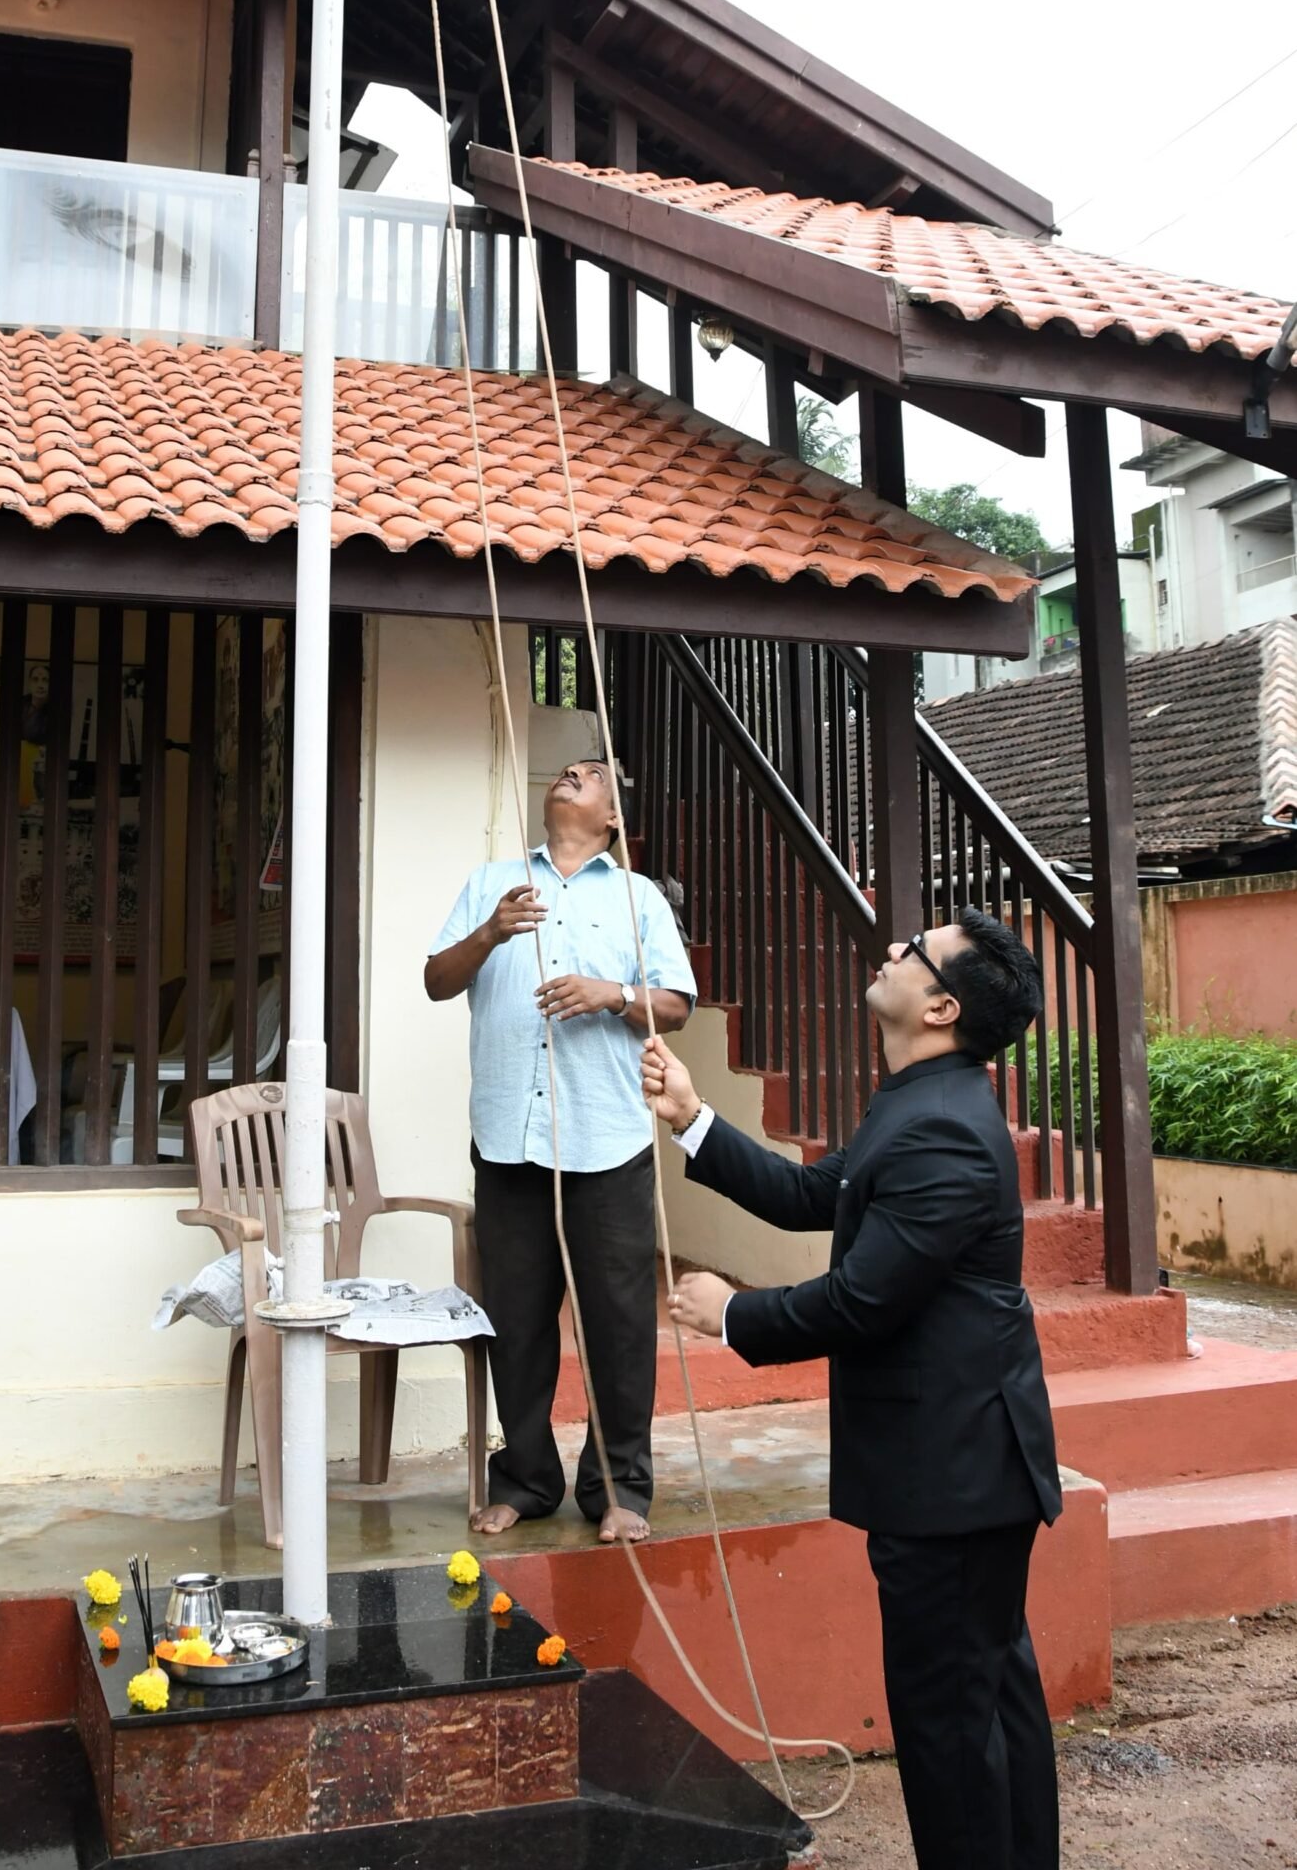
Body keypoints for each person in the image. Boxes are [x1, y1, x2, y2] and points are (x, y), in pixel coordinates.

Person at [642, 907, 1062, 1870]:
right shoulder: (919, 1102)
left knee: (949, 1724)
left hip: (954, 1474)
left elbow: (863, 1300)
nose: (893, 949)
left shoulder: (945, 1129)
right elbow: (813, 1196)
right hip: (954, 1466)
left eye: (916, 952)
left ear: (941, 1007)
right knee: (983, 1702)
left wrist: (733, 1314)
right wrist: (692, 1118)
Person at [425, 759, 696, 1543]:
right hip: (507, 1137)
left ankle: (620, 1490)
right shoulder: (492, 883)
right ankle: (525, 1480)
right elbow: (436, 981)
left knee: (618, 1326)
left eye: (592, 772)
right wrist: (489, 932)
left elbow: (676, 1005)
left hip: (607, 1138)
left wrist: (613, 994)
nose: (572, 773)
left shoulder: (639, 896)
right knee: (514, 1322)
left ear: (612, 818)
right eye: (567, 770)